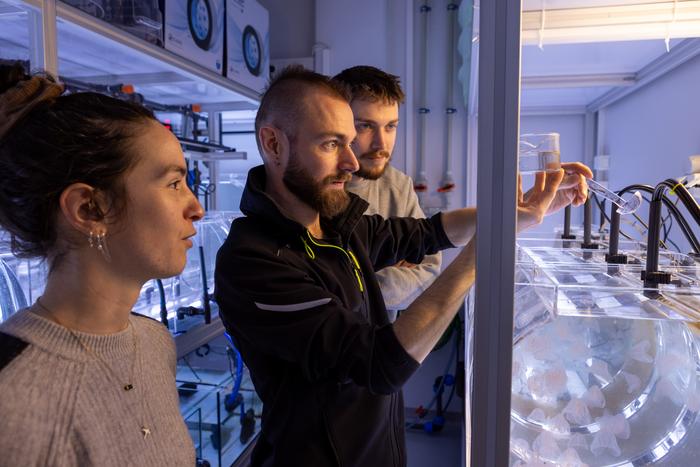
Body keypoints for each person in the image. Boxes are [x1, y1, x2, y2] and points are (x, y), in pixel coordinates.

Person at [214, 65, 590, 467]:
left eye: (349, 142)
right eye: (330, 144)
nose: (352, 162)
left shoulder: (335, 226)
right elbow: (380, 363)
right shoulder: (254, 261)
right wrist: (484, 252)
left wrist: (515, 213)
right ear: (273, 144)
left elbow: (425, 232)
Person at [0, 63, 204, 466]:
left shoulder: (153, 342)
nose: (196, 208)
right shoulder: (12, 396)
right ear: (89, 208)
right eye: (174, 183)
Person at [334, 65, 440, 321]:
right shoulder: (313, 187)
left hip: (377, 347)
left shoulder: (399, 186)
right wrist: (389, 271)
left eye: (391, 126)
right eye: (366, 126)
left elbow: (429, 271)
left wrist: (357, 284)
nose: (382, 144)